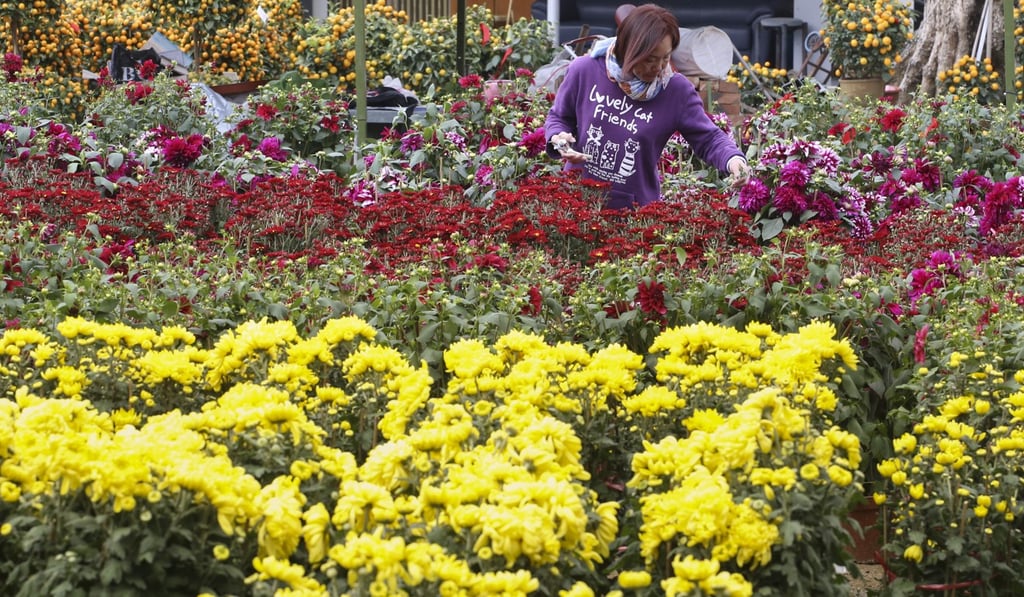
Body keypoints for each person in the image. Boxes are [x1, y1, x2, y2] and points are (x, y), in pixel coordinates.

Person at [544, 3, 749, 210]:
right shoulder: (585, 70)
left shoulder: (676, 91)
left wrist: (733, 160)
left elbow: (709, 138)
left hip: (635, 216)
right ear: (629, 50)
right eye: (650, 59)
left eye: (665, 58)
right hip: (574, 206)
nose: (659, 68)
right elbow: (559, 118)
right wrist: (560, 140)